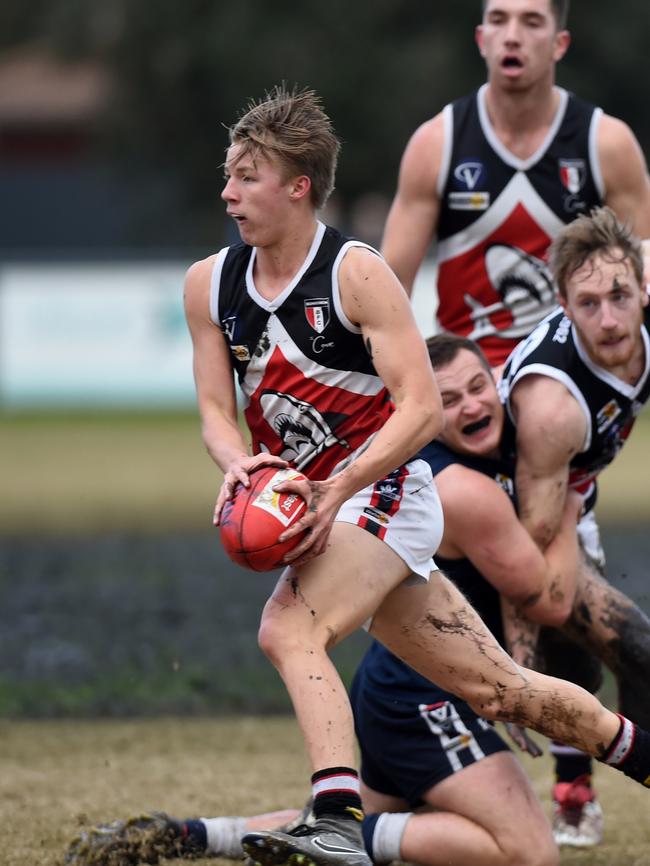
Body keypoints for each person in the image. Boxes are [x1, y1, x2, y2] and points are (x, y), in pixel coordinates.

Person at [183, 85, 650, 866]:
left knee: (288, 627)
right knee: (506, 691)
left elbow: (421, 409)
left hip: (386, 494)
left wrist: (336, 488)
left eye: (244, 175)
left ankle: (334, 820)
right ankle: (636, 750)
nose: (227, 191)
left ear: (298, 185)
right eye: (227, 174)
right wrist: (240, 468)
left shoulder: (356, 275)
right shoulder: (210, 285)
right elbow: (211, 409)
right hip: (323, 505)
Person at [65, 334, 584, 866]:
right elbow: (549, 599)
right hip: (423, 692)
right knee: (528, 852)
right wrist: (573, 502)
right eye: (448, 400)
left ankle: (196, 835)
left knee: (374, 812)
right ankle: (348, 835)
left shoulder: (501, 458)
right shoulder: (458, 485)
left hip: (401, 686)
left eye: (480, 387)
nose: (472, 405)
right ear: (424, 410)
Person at [381, 0, 650, 367]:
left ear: (560, 43)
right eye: (498, 20)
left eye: (532, 22)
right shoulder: (436, 144)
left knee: (548, 409)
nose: (511, 37)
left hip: (572, 374)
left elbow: (642, 273)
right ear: (481, 39)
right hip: (469, 381)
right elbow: (388, 294)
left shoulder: (606, 143)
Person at [497, 204, 650, 841]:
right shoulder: (554, 405)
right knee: (605, 639)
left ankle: (575, 794)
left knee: (629, 652)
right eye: (588, 303)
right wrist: (514, 664)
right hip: (499, 522)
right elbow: (527, 549)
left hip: (569, 498)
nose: (610, 319)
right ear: (561, 301)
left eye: (621, 295)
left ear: (644, 284)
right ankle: (571, 796)